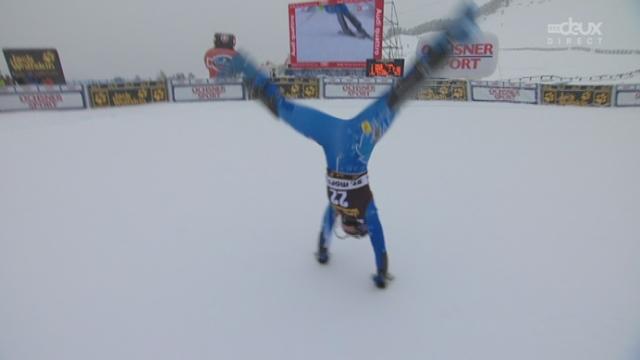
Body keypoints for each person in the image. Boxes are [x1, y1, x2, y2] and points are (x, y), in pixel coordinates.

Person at [232, 4, 479, 288]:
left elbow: (369, 238)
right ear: (354, 224)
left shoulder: (353, 210)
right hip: (347, 136)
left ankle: (241, 66)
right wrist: (369, 269)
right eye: (351, 230)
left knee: (402, 91)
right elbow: (360, 236)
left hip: (353, 135)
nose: (347, 229)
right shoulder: (347, 210)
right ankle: (241, 65)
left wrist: (360, 264)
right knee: (398, 92)